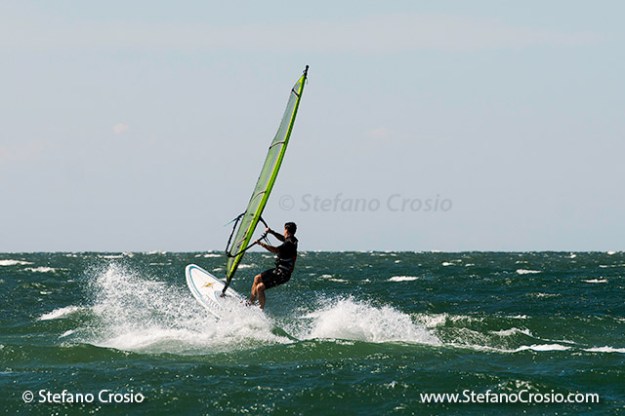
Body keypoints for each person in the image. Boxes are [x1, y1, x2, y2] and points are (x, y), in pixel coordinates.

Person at [249, 222, 298, 310]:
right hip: (279, 270)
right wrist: (271, 232)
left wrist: (261, 244)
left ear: (286, 230)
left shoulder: (289, 244)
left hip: (283, 274)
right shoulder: (292, 239)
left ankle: (260, 310)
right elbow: (283, 238)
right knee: (257, 278)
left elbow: (275, 250)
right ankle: (250, 303)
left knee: (260, 287)